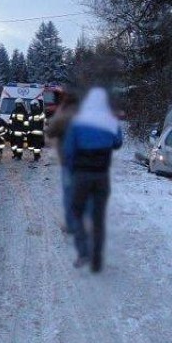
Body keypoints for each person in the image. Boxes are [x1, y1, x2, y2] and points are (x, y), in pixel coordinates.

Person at [62, 87, 122, 273]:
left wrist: (71, 170)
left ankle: (83, 252)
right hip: (102, 176)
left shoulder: (78, 121)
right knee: (98, 218)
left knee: (77, 212)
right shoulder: (110, 120)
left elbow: (69, 150)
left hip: (81, 175)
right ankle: (96, 260)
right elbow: (118, 143)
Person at [45, 90, 81, 234]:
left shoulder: (64, 116)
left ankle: (72, 224)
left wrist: (59, 111)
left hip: (69, 160)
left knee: (69, 193)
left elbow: (50, 132)